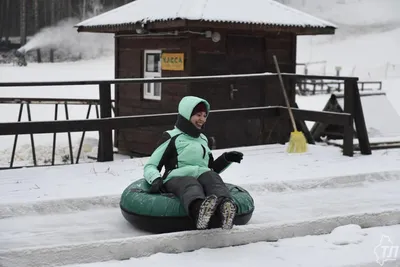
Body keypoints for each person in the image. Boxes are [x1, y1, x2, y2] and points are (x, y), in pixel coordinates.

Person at [143, 96, 244, 230]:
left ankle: (225, 209)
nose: (202, 119)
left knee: (213, 178)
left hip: (201, 174)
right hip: (178, 177)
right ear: (186, 114)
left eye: (204, 115)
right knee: (190, 184)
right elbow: (151, 165)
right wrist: (155, 179)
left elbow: (209, 168)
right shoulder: (171, 136)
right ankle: (199, 212)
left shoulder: (203, 139)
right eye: (198, 115)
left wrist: (226, 159)